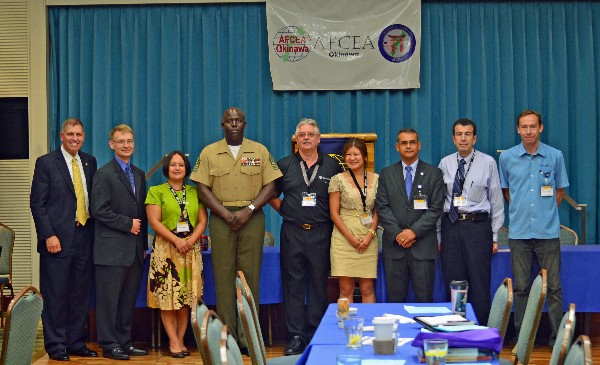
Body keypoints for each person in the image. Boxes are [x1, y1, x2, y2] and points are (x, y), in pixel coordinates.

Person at [190, 107, 281, 349]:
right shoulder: (210, 152)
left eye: (238, 120)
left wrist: (248, 210)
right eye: (229, 121)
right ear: (222, 125)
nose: (233, 124)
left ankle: (248, 338)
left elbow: (271, 185)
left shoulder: (259, 150)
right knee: (223, 276)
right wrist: (225, 214)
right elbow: (202, 188)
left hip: (252, 218)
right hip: (221, 219)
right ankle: (228, 337)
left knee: (249, 278)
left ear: (244, 124)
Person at [270, 118, 343, 355]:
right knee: (293, 286)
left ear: (319, 139)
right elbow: (270, 194)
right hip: (292, 231)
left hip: (321, 232)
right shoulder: (284, 165)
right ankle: (294, 336)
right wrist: (287, 211)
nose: (306, 138)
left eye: (311, 134)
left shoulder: (332, 166)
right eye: (302, 135)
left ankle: (314, 333)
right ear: (296, 139)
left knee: (318, 285)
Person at [30, 118, 98, 361]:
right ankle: (56, 344)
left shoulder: (89, 162)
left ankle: (77, 342)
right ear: (61, 135)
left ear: (84, 136)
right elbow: (37, 204)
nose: (75, 138)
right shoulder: (46, 163)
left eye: (79, 134)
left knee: (80, 294)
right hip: (56, 239)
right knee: (56, 293)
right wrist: (48, 234)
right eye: (70, 134)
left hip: (84, 236)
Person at [499, 110, 569, 347]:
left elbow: (559, 190)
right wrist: (523, 212)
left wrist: (544, 213)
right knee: (520, 288)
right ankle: (523, 337)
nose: (528, 131)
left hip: (548, 233)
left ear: (541, 128)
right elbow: (506, 191)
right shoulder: (507, 158)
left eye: (533, 127)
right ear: (518, 130)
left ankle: (557, 338)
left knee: (554, 289)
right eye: (524, 127)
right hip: (518, 233)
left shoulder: (555, 156)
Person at [437, 119, 504, 325]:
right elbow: (439, 203)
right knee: (455, 281)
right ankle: (457, 325)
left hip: (477, 227)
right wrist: (439, 235)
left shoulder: (488, 162)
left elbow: (496, 201)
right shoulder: (445, 163)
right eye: (459, 134)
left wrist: (494, 236)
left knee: (479, 281)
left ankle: (480, 328)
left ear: (474, 138)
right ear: (453, 138)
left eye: (467, 134)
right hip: (451, 226)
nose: (463, 138)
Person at [91, 124, 148, 360]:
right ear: (111, 144)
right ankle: (109, 343)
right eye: (121, 141)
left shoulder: (138, 174)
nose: (126, 145)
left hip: (134, 250)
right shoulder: (104, 174)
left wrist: (143, 246)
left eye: (130, 141)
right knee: (109, 301)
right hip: (110, 250)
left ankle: (124, 341)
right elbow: (98, 210)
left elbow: (142, 214)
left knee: (127, 300)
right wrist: (126, 224)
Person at [146, 151, 207, 358]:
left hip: (190, 250)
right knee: (167, 298)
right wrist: (177, 240)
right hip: (166, 250)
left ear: (186, 168)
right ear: (167, 168)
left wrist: (189, 241)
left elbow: (202, 221)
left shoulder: (194, 192)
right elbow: (154, 222)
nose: (177, 168)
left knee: (186, 299)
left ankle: (181, 339)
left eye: (181, 164)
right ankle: (172, 341)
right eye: (173, 164)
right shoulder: (156, 191)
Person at [375, 128, 444, 303]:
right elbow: (382, 207)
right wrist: (399, 234)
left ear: (419, 145)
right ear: (397, 147)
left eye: (412, 142)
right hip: (395, 248)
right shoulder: (386, 173)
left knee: (424, 301)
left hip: (423, 247)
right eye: (404, 143)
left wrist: (413, 232)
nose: (408, 146)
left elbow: (436, 208)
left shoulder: (433, 173)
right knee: (395, 301)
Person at [329, 138, 379, 303]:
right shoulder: (337, 179)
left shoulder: (377, 179)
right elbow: (334, 214)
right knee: (345, 289)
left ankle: (370, 326)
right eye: (348, 154)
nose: (352, 158)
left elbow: (379, 210)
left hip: (368, 237)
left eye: (356, 154)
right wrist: (350, 238)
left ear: (364, 157)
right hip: (343, 239)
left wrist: (370, 234)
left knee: (367, 288)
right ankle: (344, 326)